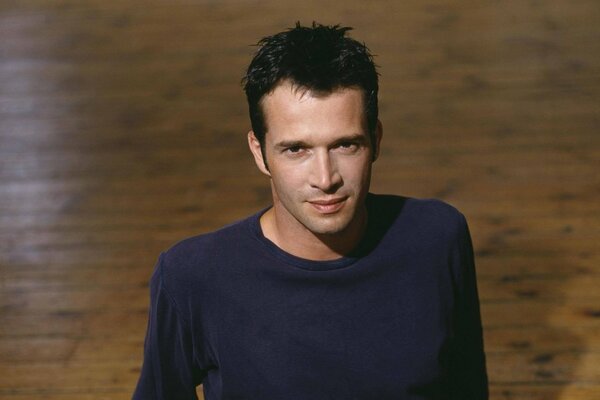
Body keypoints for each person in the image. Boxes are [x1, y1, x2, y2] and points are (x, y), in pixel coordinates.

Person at [133, 22, 488, 400]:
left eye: (345, 145)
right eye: (296, 149)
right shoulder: (192, 275)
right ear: (259, 152)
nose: (325, 178)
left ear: (376, 140)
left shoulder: (437, 238)